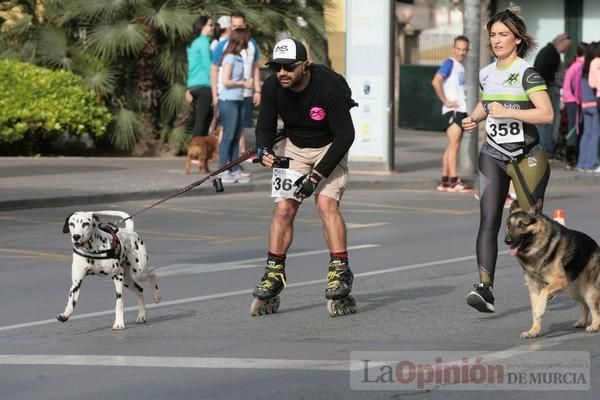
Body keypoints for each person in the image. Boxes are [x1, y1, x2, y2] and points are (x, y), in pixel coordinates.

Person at [251, 38, 356, 317]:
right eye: (277, 68)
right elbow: (265, 126)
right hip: (294, 147)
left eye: (289, 67)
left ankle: (340, 271)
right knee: (284, 207)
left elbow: (346, 135)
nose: (282, 73)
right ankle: (274, 271)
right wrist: (264, 151)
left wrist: (317, 175)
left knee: (325, 204)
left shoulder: (328, 86)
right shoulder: (273, 85)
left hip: (329, 147)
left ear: (304, 66)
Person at [461, 7, 553, 313]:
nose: (496, 40)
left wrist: (510, 112)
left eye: (503, 35)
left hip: (527, 156)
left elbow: (546, 113)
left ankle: (545, 280)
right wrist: (473, 118)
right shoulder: (487, 72)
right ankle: (484, 288)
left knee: (529, 225)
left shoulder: (528, 73)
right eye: (492, 35)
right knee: (489, 220)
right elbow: (487, 104)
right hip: (493, 154)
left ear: (517, 39)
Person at [211, 11, 262, 155]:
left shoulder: (252, 45)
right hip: (227, 94)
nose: (237, 29)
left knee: (239, 130)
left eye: (240, 26)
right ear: (229, 27)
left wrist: (257, 90)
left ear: (245, 25)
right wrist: (215, 95)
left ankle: (235, 165)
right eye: (234, 26)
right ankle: (224, 164)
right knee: (226, 129)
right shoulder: (222, 45)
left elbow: (255, 68)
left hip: (245, 94)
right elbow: (214, 70)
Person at [431, 35, 472, 192]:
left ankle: (445, 180)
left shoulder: (460, 66)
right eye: (459, 49)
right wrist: (446, 100)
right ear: (453, 48)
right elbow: (436, 80)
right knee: (454, 146)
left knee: (452, 146)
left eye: (464, 50)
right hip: (453, 111)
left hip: (459, 110)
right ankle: (454, 181)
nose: (461, 52)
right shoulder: (450, 63)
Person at [216, 28, 253, 184]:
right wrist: (243, 83)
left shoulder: (238, 57)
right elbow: (225, 81)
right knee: (229, 136)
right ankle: (223, 169)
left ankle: (234, 168)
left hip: (238, 100)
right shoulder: (230, 57)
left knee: (236, 136)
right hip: (228, 100)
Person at [533, 32, 572, 156]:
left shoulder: (547, 51)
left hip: (543, 88)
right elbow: (543, 71)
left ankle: (545, 146)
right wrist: (552, 82)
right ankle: (547, 147)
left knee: (545, 119)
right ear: (560, 43)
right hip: (548, 88)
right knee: (549, 119)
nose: (567, 49)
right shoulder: (552, 53)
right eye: (567, 46)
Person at [185, 16, 215, 138]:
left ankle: (201, 151)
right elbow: (208, 66)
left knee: (205, 117)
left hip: (193, 85)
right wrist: (217, 85)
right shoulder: (203, 43)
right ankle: (195, 152)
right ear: (202, 26)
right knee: (202, 121)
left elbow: (192, 66)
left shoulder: (193, 43)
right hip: (204, 86)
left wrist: (188, 88)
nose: (213, 27)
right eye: (210, 25)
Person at [562, 42, 587, 169]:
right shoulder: (578, 66)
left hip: (569, 99)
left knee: (573, 127)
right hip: (573, 100)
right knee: (574, 127)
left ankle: (570, 157)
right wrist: (579, 100)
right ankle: (571, 157)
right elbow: (576, 86)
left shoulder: (575, 65)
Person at [576, 42, 600, 173]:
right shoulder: (596, 66)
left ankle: (582, 163)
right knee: (596, 134)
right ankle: (591, 164)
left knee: (587, 134)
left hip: (585, 104)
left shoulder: (584, 68)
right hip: (594, 104)